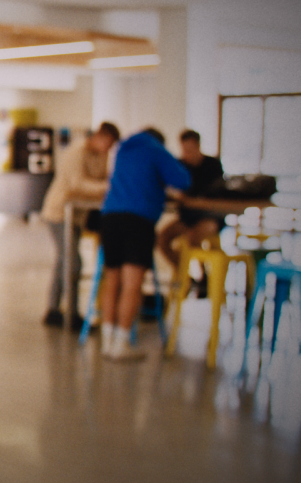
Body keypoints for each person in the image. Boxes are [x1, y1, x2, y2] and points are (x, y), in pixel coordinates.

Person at [98, 128, 191, 361]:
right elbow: (183, 180)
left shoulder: (123, 149)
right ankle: (121, 344)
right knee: (132, 284)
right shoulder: (156, 150)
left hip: (110, 218)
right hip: (137, 221)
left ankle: (106, 342)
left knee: (112, 279)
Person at [39, 122, 120, 329]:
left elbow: (101, 180)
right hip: (59, 213)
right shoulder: (76, 151)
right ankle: (71, 315)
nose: (109, 149)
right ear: (100, 136)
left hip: (78, 216)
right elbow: (76, 183)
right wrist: (108, 187)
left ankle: (53, 310)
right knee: (73, 262)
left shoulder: (102, 156)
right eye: (108, 143)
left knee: (63, 262)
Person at [156, 129, 225, 271]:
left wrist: (193, 199)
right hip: (187, 218)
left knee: (193, 238)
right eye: (184, 150)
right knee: (162, 238)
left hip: (210, 217)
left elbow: (217, 197)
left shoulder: (213, 165)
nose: (186, 154)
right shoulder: (180, 165)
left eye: (190, 149)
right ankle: (183, 273)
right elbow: (168, 186)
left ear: (198, 146)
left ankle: (204, 277)